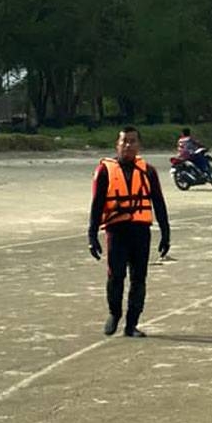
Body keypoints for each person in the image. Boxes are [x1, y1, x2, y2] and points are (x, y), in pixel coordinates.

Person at [88, 126, 171, 337]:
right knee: (115, 276)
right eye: (124, 141)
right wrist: (92, 236)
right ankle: (114, 313)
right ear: (117, 144)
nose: (128, 145)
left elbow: (159, 203)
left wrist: (165, 232)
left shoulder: (148, 171)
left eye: (132, 141)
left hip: (141, 231)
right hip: (116, 231)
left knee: (139, 278)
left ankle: (131, 324)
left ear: (138, 145)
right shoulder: (105, 171)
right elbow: (97, 205)